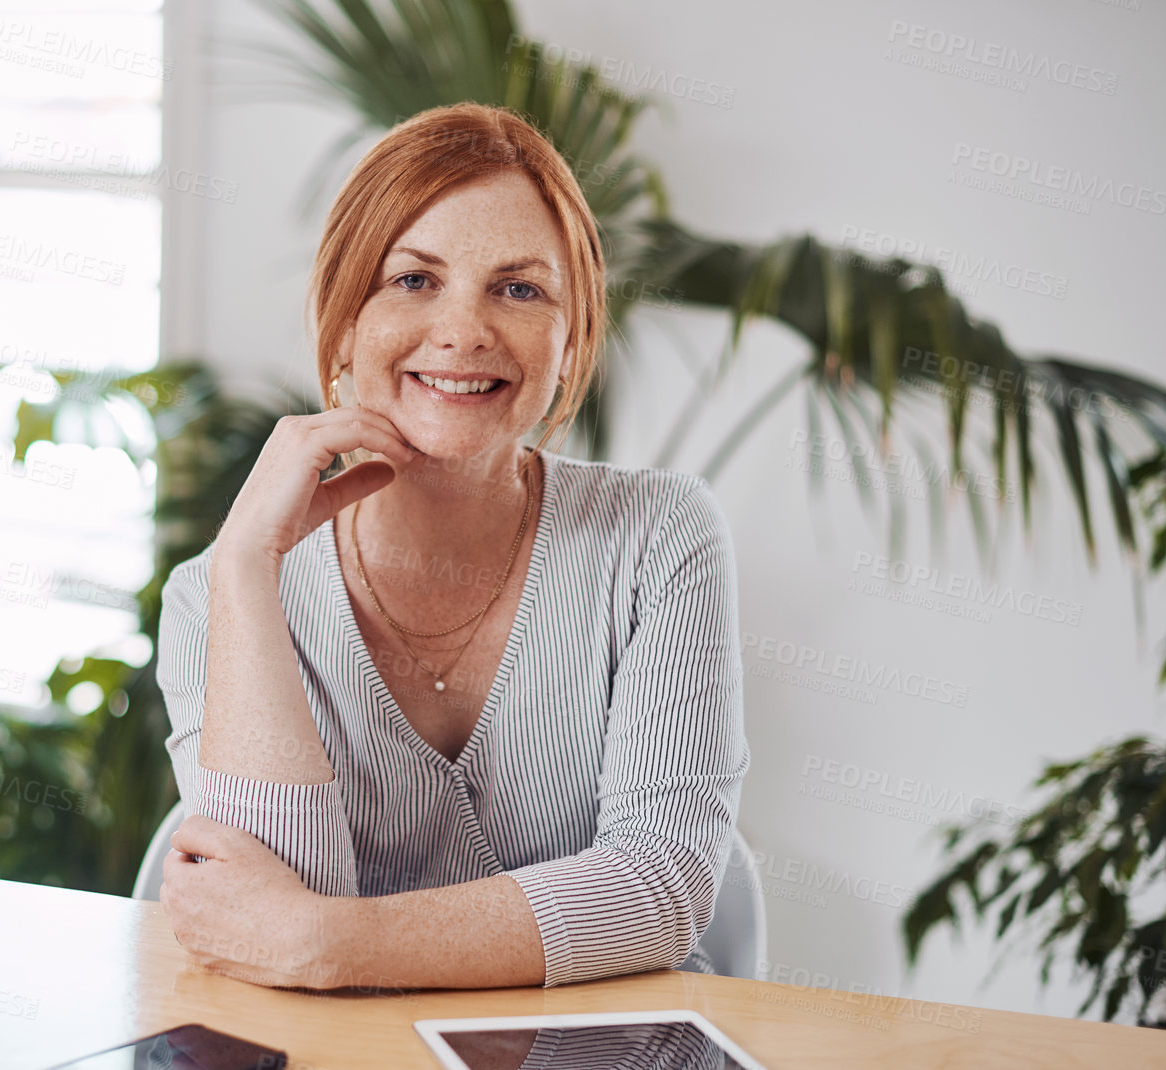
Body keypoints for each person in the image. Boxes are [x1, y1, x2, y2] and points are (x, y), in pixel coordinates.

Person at [154, 102, 747, 991]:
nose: (464, 330)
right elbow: (257, 921)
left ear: (570, 338)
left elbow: (658, 887)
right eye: (413, 280)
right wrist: (246, 570)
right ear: (341, 321)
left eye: (519, 288)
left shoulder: (657, 535)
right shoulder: (215, 595)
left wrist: (333, 945)